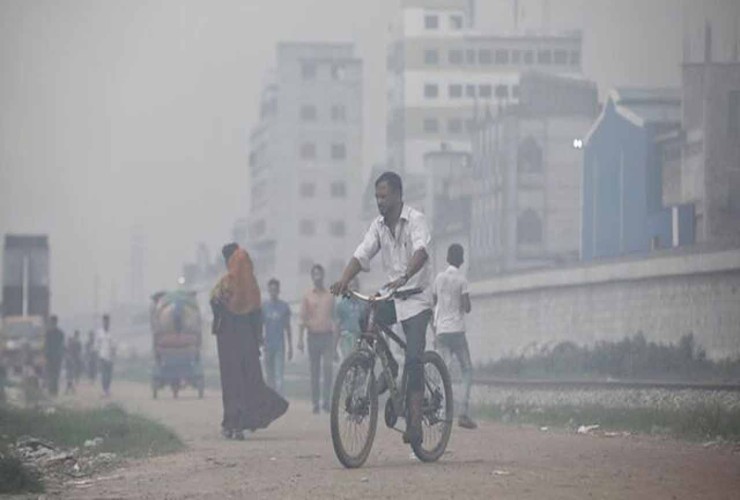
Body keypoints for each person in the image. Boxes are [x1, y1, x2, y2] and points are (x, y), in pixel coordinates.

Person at [331, 171, 433, 446]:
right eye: (377, 196)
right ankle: (386, 366)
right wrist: (344, 279)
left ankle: (414, 422)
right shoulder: (377, 226)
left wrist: (406, 275)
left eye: (384, 196)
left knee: (414, 359)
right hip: (393, 295)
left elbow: (421, 252)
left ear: (399, 195)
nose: (380, 201)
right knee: (368, 316)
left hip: (417, 297)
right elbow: (361, 254)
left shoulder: (415, 220)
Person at [210, 243, 288, 440]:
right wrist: (258, 340)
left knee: (233, 383)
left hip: (228, 344)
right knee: (250, 382)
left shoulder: (223, 287)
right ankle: (241, 422)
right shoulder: (253, 290)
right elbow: (256, 319)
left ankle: (233, 424)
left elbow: (216, 313)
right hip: (246, 345)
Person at [433, 244, 477, 429]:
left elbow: (434, 303)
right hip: (457, 331)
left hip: (441, 330)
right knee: (467, 369)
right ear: (461, 260)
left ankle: (443, 416)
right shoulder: (462, 280)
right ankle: (463, 412)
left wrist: (434, 328)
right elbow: (467, 307)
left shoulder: (438, 278)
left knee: (444, 373)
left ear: (447, 258)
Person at [298, 264, 337, 414]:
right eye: (314, 274)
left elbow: (335, 318)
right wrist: (300, 340)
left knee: (327, 369)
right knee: (314, 371)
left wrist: (335, 343)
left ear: (323, 275)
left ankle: (326, 402)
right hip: (312, 336)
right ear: (312, 277)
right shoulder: (307, 296)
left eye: (319, 274)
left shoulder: (330, 296)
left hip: (327, 336)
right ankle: (315, 403)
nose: (317, 276)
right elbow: (302, 319)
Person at [262, 278, 292, 395]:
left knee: (279, 375)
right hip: (268, 345)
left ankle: (279, 397)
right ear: (269, 291)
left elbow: (288, 327)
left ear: (278, 291)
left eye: (275, 289)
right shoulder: (264, 307)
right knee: (269, 375)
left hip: (279, 345)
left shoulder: (284, 307)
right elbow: (260, 326)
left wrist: (290, 347)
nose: (273, 292)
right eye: (271, 289)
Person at [334, 277, 364, 360]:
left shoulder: (364, 304)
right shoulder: (341, 305)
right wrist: (334, 347)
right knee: (349, 363)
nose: (353, 288)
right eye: (351, 286)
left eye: (355, 286)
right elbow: (337, 326)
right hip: (346, 339)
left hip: (361, 339)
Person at [95, 314, 116, 397]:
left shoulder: (112, 332)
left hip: (110, 357)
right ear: (103, 322)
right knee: (104, 374)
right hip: (102, 356)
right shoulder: (99, 333)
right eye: (105, 321)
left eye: (107, 321)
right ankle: (104, 390)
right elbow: (97, 345)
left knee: (109, 375)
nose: (106, 323)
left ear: (109, 322)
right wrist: (97, 355)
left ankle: (107, 389)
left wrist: (114, 353)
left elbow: (114, 344)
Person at [44, 315, 65, 397]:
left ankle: (53, 390)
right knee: (53, 375)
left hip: (54, 357)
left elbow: (46, 346)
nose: (52, 323)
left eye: (53, 322)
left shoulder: (50, 333)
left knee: (54, 375)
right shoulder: (59, 333)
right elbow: (46, 345)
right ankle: (53, 390)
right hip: (53, 357)